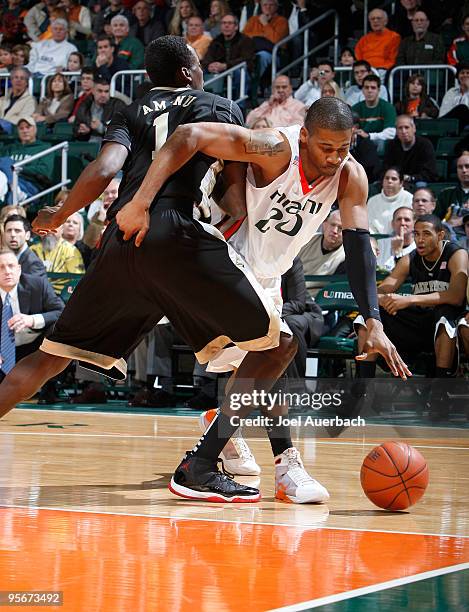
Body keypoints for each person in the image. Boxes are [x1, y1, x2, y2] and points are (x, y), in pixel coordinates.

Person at [0, 36, 302, 505]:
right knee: (275, 343)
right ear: (187, 72)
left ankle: (230, 454)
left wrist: (57, 216)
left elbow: (104, 168)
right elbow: (236, 199)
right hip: (178, 236)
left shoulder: (129, 110)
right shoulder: (218, 105)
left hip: (120, 239)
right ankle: (213, 465)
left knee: (48, 357)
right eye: (198, 64)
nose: (201, 71)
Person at [118, 95, 410, 495]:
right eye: (325, 147)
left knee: (267, 362)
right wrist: (142, 201)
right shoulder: (275, 148)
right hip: (220, 258)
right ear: (304, 136)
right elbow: (191, 135)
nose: (334, 157)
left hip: (266, 274)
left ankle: (225, 438)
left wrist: (373, 320)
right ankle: (225, 465)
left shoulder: (350, 176)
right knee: (280, 345)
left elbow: (359, 247)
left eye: (344, 148)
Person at [354, 215, 468, 418]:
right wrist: (387, 299)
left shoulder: (456, 253)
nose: (420, 239)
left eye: (426, 234)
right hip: (417, 324)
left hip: (444, 325)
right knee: (367, 318)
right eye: (416, 234)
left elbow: (456, 297)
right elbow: (379, 293)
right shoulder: (411, 258)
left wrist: (409, 299)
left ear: (440, 235)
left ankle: (439, 395)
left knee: (445, 318)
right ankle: (364, 392)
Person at [0, 249, 64, 383]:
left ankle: (50, 389)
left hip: (34, 348)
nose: (7, 271)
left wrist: (32, 319)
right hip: (2, 352)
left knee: (57, 328)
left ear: (19, 269)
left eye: (11, 266)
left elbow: (61, 311)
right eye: (1, 267)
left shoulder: (37, 285)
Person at [0, 117, 53, 205]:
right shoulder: (10, 148)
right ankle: (13, 186)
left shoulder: (44, 148)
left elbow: (45, 170)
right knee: (5, 163)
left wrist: (19, 168)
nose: (25, 131)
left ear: (35, 129)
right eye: (21, 128)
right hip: (7, 181)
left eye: (28, 127)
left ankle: (14, 187)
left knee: (7, 162)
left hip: (30, 184)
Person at [201, 12, 255, 96]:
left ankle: (240, 106)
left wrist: (226, 66)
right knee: (199, 71)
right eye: (224, 23)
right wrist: (210, 66)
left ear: (236, 26)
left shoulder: (245, 40)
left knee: (239, 72)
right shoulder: (216, 41)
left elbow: (247, 59)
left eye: (230, 23)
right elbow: (207, 58)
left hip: (238, 72)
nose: (226, 26)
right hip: (220, 72)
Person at [298, 209, 345, 299]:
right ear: (324, 224)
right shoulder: (306, 240)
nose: (335, 231)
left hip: (318, 300)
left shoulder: (346, 256)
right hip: (292, 292)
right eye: (332, 225)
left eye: (340, 228)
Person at [383, 114, 438, 188]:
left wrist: (410, 178)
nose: (403, 131)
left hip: (417, 181)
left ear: (414, 128)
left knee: (421, 185)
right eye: (400, 128)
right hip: (396, 180)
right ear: (396, 131)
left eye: (406, 127)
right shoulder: (391, 145)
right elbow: (386, 167)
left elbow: (430, 173)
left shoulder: (425, 145)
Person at [243, 0, 288, 79]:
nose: (268, 7)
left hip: (275, 54)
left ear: (276, 7)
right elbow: (243, 37)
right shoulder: (253, 20)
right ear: (261, 6)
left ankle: (252, 84)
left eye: (271, 5)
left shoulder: (282, 21)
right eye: (265, 5)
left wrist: (265, 24)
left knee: (262, 56)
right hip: (253, 51)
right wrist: (261, 36)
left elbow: (276, 41)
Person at [73, 77, 126, 142]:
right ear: (93, 91)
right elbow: (75, 128)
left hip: (110, 145)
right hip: (87, 145)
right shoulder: (84, 105)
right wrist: (81, 130)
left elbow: (122, 131)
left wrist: (102, 128)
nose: (103, 95)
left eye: (106, 91)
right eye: (100, 91)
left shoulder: (118, 105)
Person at [351, 74, 397, 150]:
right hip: (361, 141)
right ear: (362, 90)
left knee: (381, 143)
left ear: (378, 90)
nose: (369, 91)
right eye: (366, 88)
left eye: (373, 88)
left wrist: (369, 136)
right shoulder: (355, 108)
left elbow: (390, 133)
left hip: (380, 142)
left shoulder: (388, 107)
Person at [367, 167, 413, 236]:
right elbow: (368, 225)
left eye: (394, 179)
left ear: (401, 183)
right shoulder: (372, 201)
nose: (389, 181)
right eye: (387, 178)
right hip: (375, 240)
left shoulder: (409, 198)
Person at [376, 206, 416, 271]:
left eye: (407, 220)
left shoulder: (419, 246)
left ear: (415, 224)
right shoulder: (379, 244)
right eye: (399, 219)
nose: (402, 223)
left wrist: (397, 253)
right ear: (392, 224)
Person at [0, 66, 36, 134]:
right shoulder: (2, 99)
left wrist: (4, 121)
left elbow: (24, 119)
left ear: (26, 83)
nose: (18, 80)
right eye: (16, 77)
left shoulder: (31, 100)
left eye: (22, 78)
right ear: (11, 80)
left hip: (15, 129)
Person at [438, 154, 469, 232]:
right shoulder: (446, 194)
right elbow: (436, 220)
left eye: (467, 166)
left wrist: (462, 220)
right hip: (450, 237)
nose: (464, 170)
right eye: (460, 167)